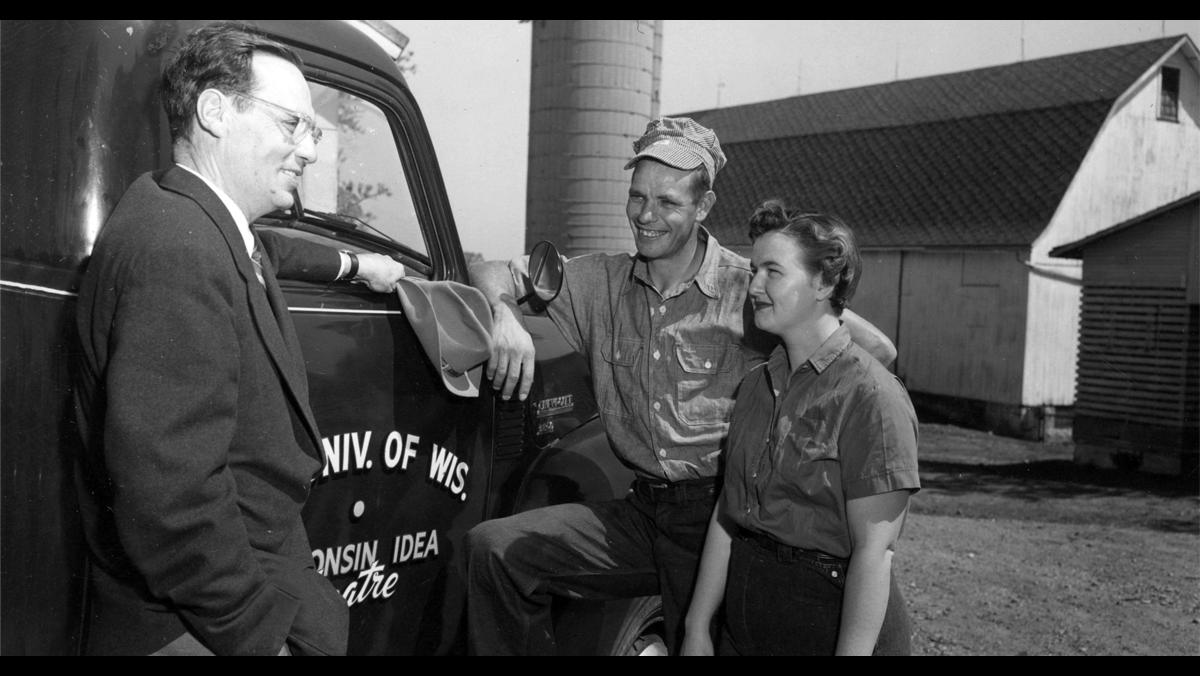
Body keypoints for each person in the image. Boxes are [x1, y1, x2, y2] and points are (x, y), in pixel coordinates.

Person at [464, 117, 898, 655]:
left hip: (723, 522)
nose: (646, 216)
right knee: (496, 551)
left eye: (668, 202)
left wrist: (787, 447)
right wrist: (503, 315)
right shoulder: (597, 280)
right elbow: (487, 272)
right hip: (642, 513)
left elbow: (874, 349)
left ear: (704, 206)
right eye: (637, 197)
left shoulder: (751, 287)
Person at [72, 22, 406, 656]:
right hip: (200, 616)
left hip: (243, 579)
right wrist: (262, 637)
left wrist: (358, 265)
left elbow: (263, 250)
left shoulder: (194, 218)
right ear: (215, 112)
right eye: (292, 125)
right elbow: (172, 502)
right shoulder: (179, 250)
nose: (308, 150)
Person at [681, 201, 920, 656]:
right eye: (753, 271)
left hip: (829, 621)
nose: (753, 287)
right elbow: (728, 514)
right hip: (749, 613)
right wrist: (697, 627)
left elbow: (874, 554)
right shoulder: (755, 386)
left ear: (825, 282)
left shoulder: (871, 396)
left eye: (773, 272)